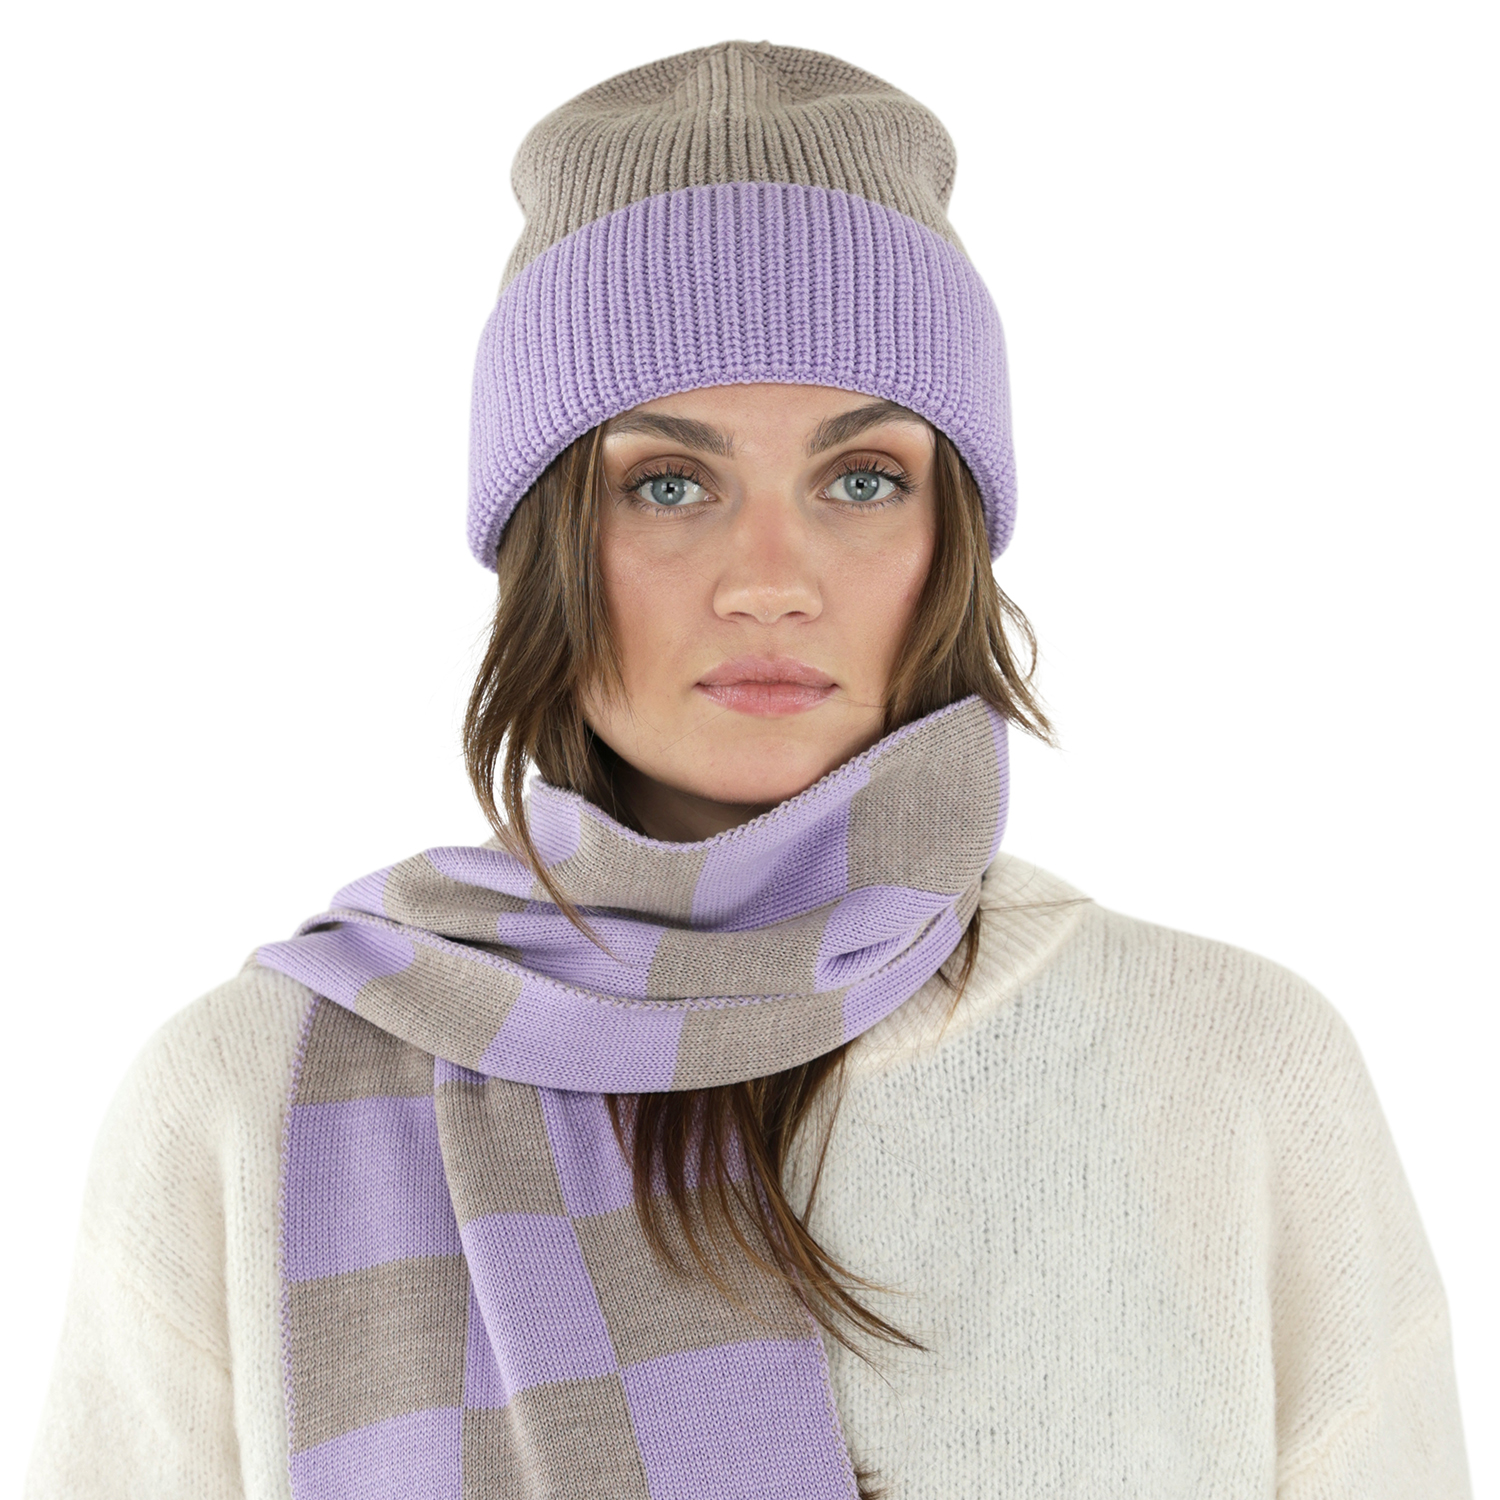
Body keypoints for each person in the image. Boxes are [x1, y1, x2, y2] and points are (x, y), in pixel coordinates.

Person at [25, 38, 1470, 1500]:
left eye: (862, 479)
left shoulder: (1229, 1072)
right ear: (543, 545)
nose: (771, 578)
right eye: (669, 483)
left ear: (953, 537)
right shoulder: (251, 1099)